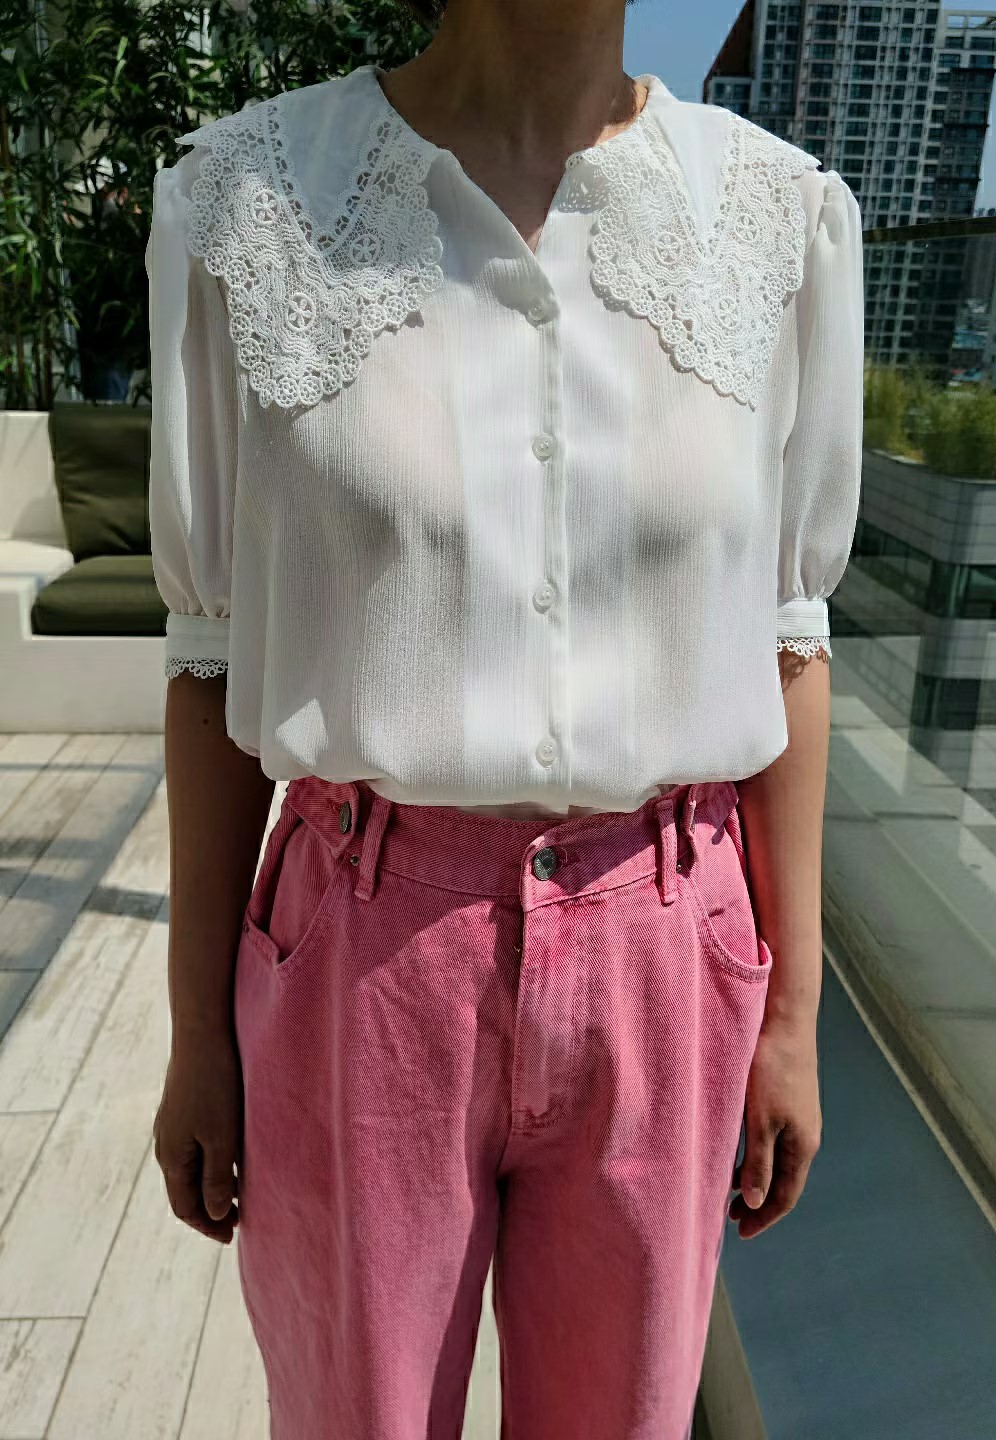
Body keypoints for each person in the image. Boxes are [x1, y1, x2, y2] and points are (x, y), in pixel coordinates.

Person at [146, 0, 864, 1435]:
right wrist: (196, 1031)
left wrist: (790, 1015)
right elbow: (209, 652)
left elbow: (791, 633)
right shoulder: (244, 198)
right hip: (361, 955)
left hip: (668, 949)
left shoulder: (780, 219)